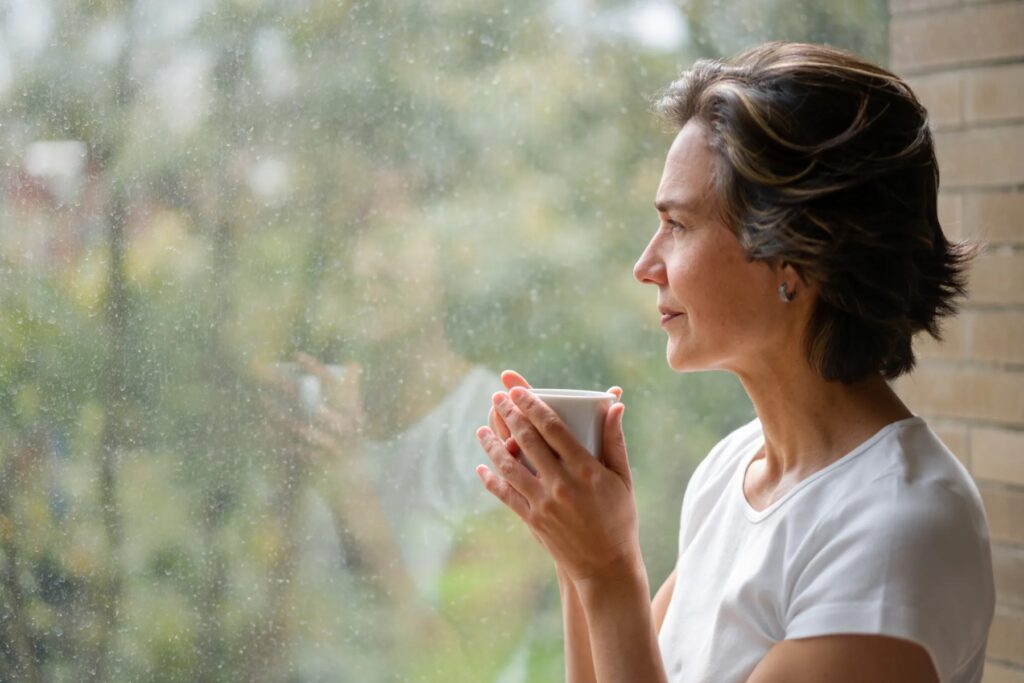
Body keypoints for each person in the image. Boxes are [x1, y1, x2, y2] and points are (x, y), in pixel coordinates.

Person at [477, 42, 994, 683]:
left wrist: (606, 572)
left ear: (794, 256)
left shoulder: (894, 537)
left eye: (679, 225)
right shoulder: (733, 470)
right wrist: (575, 546)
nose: (646, 265)